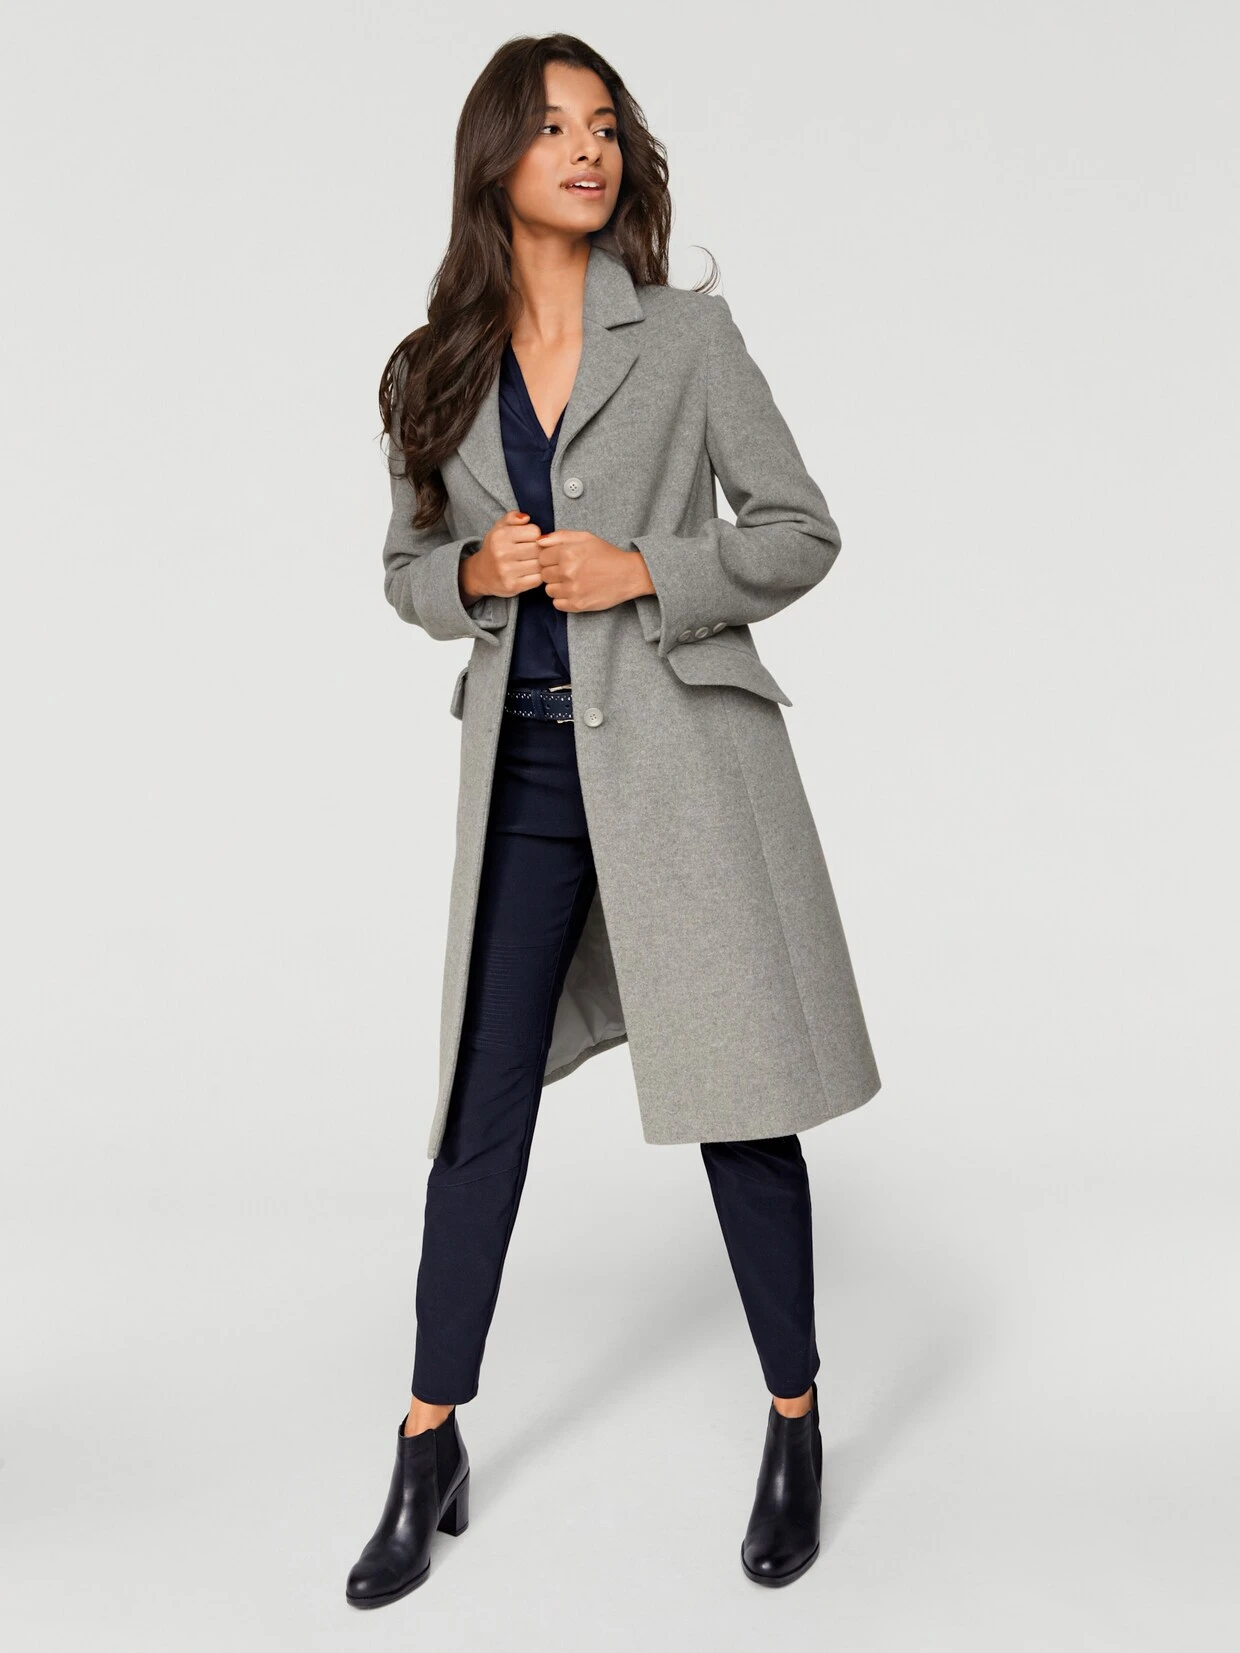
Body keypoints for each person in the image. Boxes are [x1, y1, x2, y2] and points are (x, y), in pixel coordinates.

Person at [346, 33, 880, 1607]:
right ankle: (427, 1438)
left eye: (604, 127)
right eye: (553, 127)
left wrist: (648, 567)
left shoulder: (689, 339)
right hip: (521, 786)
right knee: (478, 1110)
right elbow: (404, 572)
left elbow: (800, 531)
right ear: (495, 159)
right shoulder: (433, 369)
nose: (587, 150)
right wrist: (473, 574)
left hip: (683, 772)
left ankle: (795, 1419)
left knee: (739, 1099)